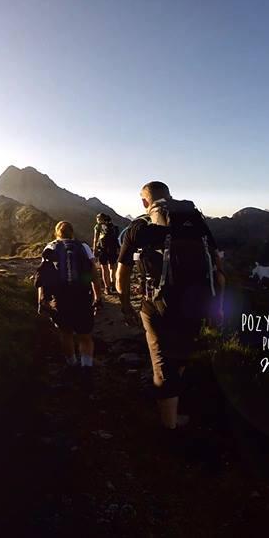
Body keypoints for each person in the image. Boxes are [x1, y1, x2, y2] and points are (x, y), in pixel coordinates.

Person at [115, 181, 225, 430]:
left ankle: (169, 427)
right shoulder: (195, 221)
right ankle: (176, 401)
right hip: (197, 304)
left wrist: (125, 304)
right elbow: (219, 270)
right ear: (169, 196)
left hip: (158, 307)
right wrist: (217, 307)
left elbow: (121, 275)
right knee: (182, 352)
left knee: (162, 363)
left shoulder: (138, 227)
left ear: (145, 202)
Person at [36, 221, 102, 370]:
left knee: (66, 334)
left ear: (56, 233)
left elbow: (43, 276)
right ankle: (86, 367)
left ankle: (72, 364)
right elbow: (93, 274)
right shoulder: (83, 247)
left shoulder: (50, 247)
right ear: (72, 232)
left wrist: (41, 300)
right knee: (85, 336)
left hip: (60, 298)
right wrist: (98, 297)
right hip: (82, 296)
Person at [92, 213, 121, 295]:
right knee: (112, 267)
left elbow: (95, 238)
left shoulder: (98, 226)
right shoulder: (113, 226)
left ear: (99, 219)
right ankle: (113, 284)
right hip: (113, 248)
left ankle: (107, 288)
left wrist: (95, 249)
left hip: (103, 249)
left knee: (104, 268)